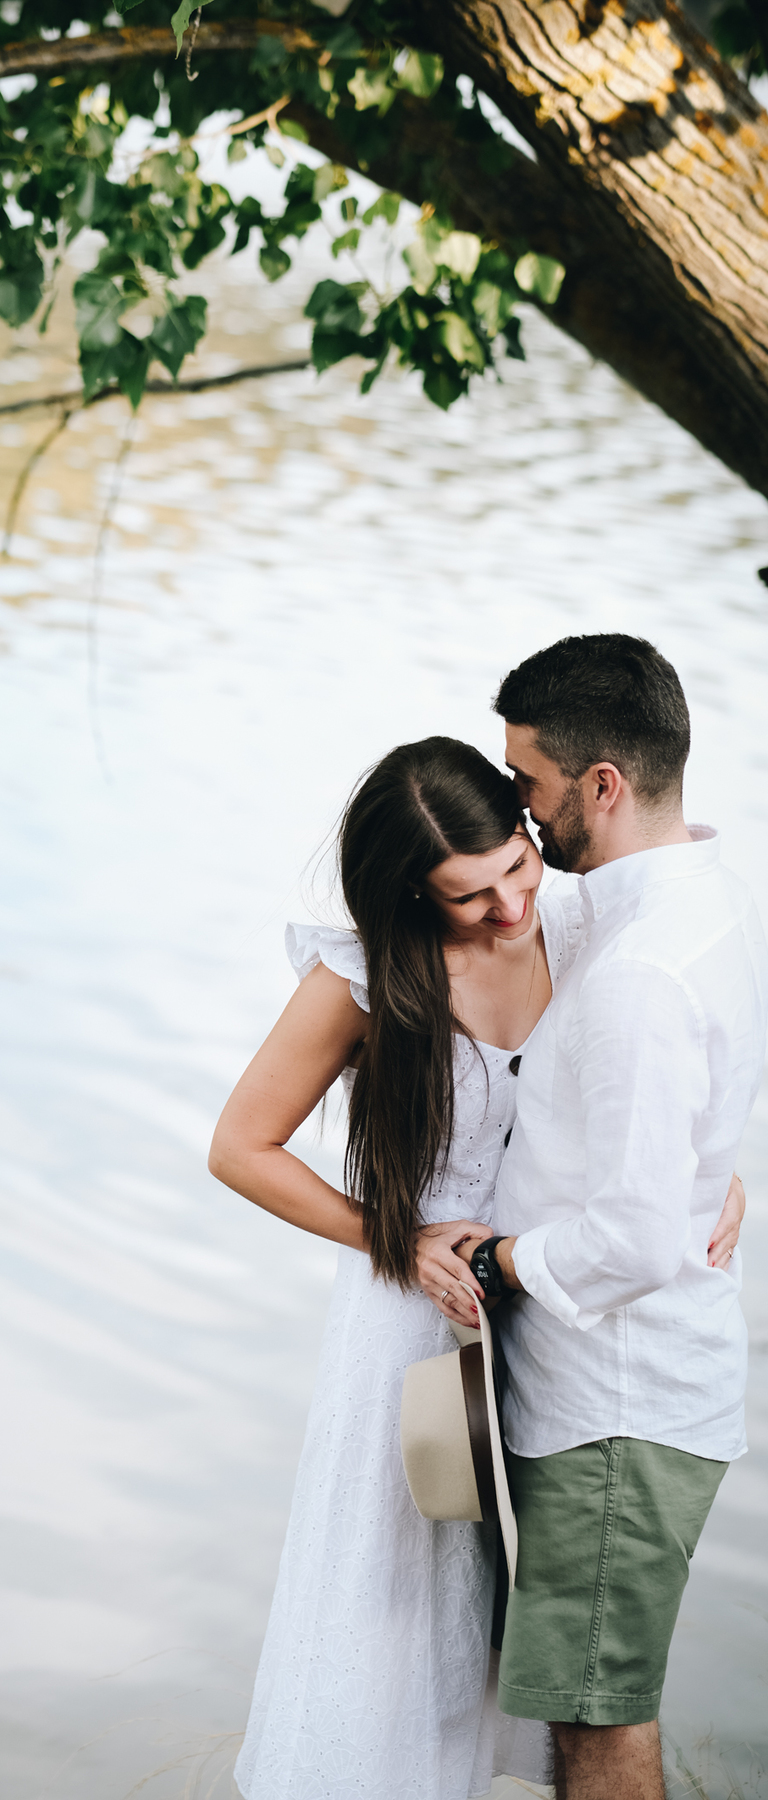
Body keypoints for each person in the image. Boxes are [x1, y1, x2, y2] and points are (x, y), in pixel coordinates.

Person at [208, 732, 746, 1800]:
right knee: (395, 1604)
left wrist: (711, 1173)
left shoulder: (583, 928)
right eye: (471, 896)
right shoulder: (367, 974)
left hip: (551, 1308)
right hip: (418, 1322)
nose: (510, 907)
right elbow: (240, 1147)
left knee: (516, 1621)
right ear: (415, 892)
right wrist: (395, 1236)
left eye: (516, 866)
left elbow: (661, 1071)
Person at [425, 635, 767, 1800]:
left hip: (615, 1408)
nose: (518, 806)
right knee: (586, 1708)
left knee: (596, 1722)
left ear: (603, 783)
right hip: (625, 1393)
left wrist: (499, 1257)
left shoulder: (637, 971)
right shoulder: (700, 901)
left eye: (529, 780)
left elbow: (631, 1241)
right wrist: (713, 1175)